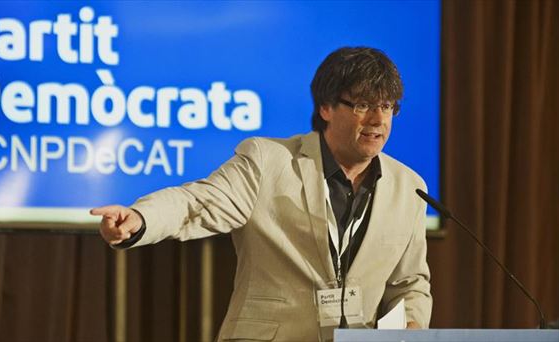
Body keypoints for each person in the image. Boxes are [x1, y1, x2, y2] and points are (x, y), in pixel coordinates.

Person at [91, 46, 432, 341]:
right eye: (362, 106)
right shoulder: (268, 160)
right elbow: (198, 202)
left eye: (387, 107)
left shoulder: (409, 187)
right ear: (326, 108)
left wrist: (412, 325)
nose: (377, 120)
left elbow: (410, 281)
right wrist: (141, 217)